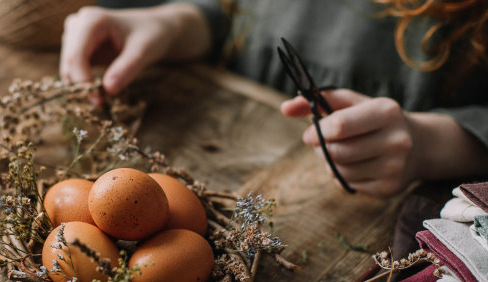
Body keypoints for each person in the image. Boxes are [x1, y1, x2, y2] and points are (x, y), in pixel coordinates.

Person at [59, 0, 488, 197]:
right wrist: (173, 23)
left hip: (395, 196)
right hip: (240, 135)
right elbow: (238, 15)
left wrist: (434, 143)